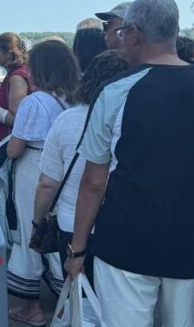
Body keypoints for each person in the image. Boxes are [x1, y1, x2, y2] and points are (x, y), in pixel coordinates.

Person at [65, 0, 194, 327]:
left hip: (127, 242)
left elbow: (93, 182)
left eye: (121, 32)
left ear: (135, 34)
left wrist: (77, 248)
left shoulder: (117, 92)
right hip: (190, 241)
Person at [32, 50, 129, 281]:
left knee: (78, 295)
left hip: (71, 222)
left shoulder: (66, 120)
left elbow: (47, 183)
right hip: (119, 223)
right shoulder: (132, 121)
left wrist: (37, 221)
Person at [5, 39, 79, 326]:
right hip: (66, 170)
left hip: (34, 168)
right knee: (60, 233)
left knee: (31, 233)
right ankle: (68, 306)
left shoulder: (33, 103)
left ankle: (31, 307)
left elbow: (15, 149)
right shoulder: (74, 100)